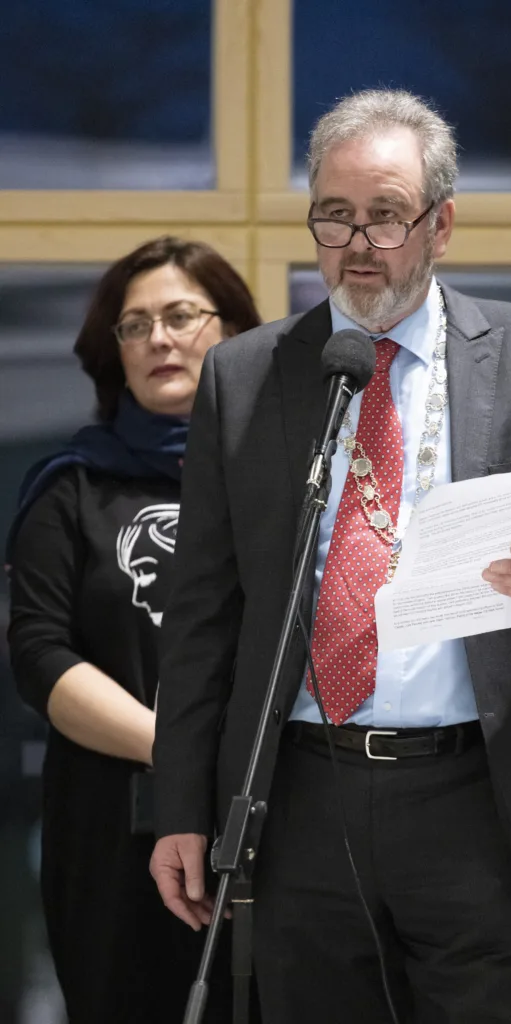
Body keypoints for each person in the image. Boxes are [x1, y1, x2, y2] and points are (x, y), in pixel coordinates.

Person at [150, 90, 511, 1024]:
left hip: (478, 796)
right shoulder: (247, 374)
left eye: (385, 215)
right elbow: (202, 617)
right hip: (299, 794)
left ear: (441, 224)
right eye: (333, 216)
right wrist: (181, 805)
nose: (358, 242)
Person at [6, 236, 260, 1024]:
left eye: (181, 315)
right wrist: (180, 750)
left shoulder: (291, 481)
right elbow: (40, 654)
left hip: (276, 813)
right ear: (113, 352)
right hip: (113, 823)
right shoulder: (70, 488)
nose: (158, 338)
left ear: (232, 332)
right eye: (134, 324)